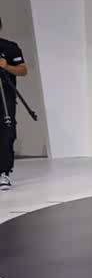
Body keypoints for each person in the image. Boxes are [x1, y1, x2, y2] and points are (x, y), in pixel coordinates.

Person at [0, 17, 28, 191]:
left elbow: (23, 70)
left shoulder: (9, 47)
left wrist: (6, 66)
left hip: (5, 99)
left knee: (6, 134)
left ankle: (3, 172)